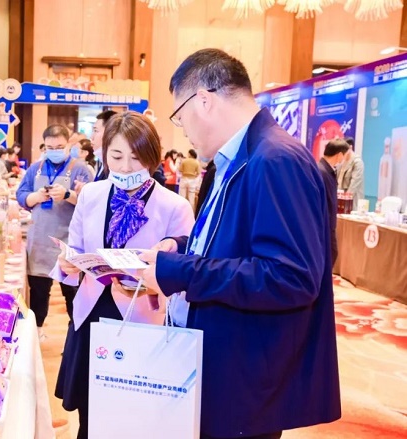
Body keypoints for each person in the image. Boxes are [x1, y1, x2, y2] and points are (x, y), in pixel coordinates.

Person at [139, 49, 341, 439]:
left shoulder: (275, 159)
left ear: (203, 101)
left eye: (179, 116)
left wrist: (183, 271)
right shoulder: (239, 158)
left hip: (245, 382)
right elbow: (236, 240)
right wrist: (182, 248)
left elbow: (290, 276)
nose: (183, 129)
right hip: (225, 365)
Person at [51, 112, 195, 439]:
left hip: (141, 319)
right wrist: (68, 263)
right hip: (91, 313)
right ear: (105, 154)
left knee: (133, 415)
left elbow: (185, 274)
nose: (127, 167)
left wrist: (154, 278)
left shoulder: (174, 206)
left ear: (153, 157)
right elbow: (75, 247)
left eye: (136, 157)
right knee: (90, 413)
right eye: (116, 156)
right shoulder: (91, 194)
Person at [15, 124, 93, 338]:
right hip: (40, 239)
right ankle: (37, 333)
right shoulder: (36, 169)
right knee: (39, 291)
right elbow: (21, 194)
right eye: (50, 147)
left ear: (68, 145)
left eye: (59, 147)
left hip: (69, 240)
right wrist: (35, 197)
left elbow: (91, 202)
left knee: (72, 292)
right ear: (44, 146)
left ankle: (77, 336)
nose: (55, 151)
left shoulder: (81, 170)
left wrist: (68, 195)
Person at [320, 139, 349, 264]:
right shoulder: (323, 172)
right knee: (331, 254)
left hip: (327, 222)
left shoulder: (326, 170)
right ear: (340, 155)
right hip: (325, 223)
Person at [338, 137, 365, 210]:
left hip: (352, 203)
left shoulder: (357, 162)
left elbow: (354, 186)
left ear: (350, 147)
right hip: (341, 201)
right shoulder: (341, 162)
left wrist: (344, 200)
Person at [90, 110, 117, 181]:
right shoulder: (102, 162)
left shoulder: (114, 167)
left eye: (96, 131)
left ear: (110, 133)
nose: (91, 137)